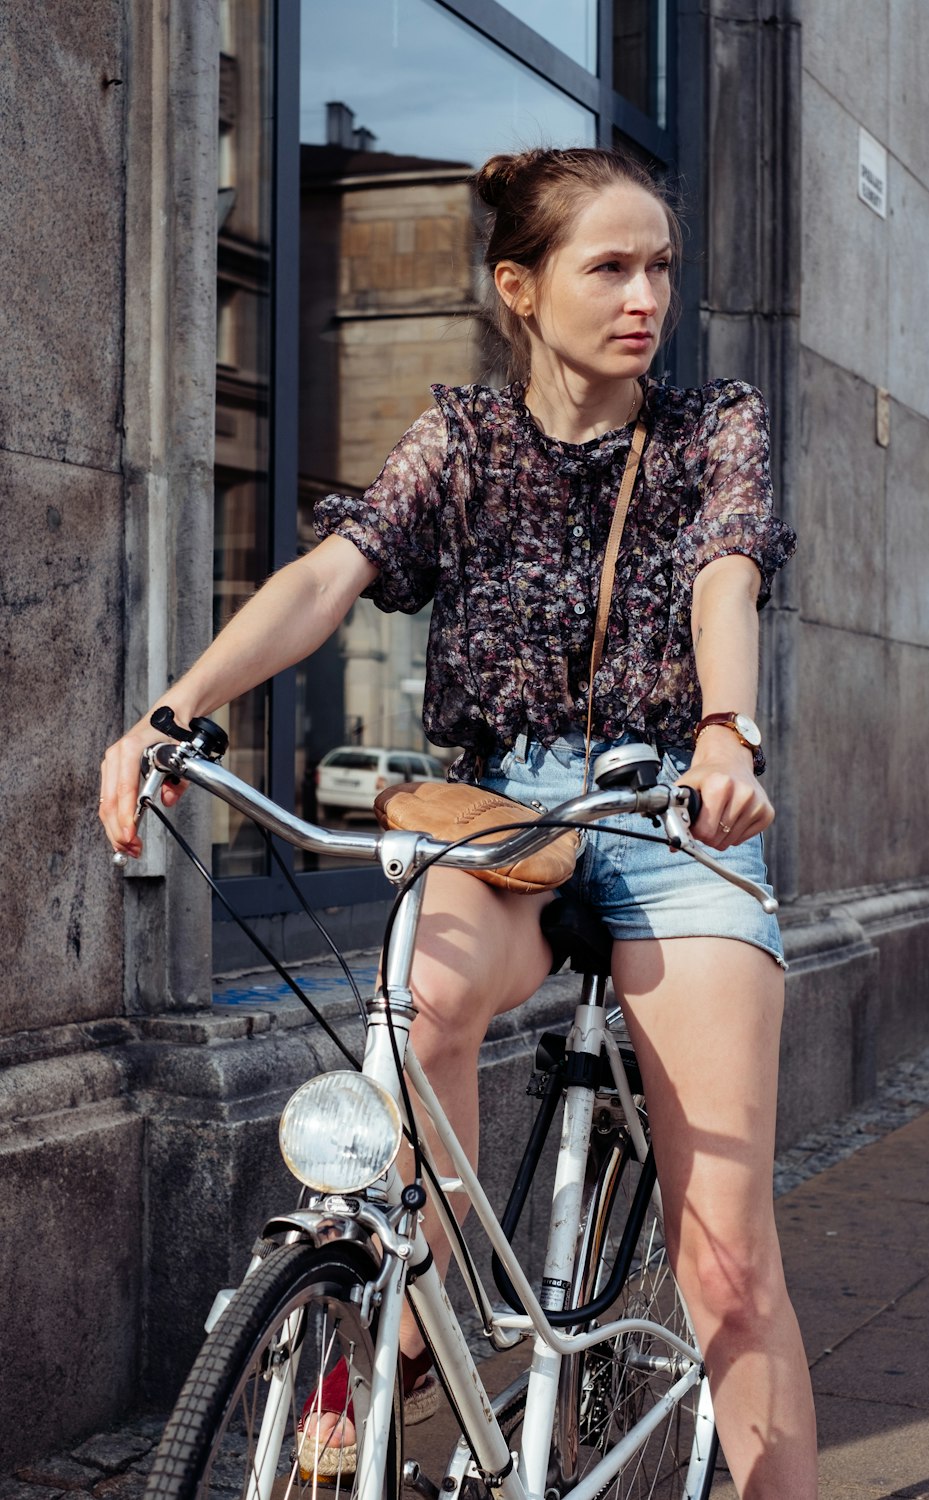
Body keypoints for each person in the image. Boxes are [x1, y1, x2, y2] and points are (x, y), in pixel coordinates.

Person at [101, 146, 817, 1499]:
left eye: (659, 264)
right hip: (501, 814)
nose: (644, 294)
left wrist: (729, 730)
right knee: (414, 1015)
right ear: (517, 287)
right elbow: (327, 576)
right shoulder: (464, 442)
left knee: (726, 1262)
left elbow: (728, 575)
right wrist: (178, 711)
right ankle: (401, 1294)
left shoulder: (713, 424)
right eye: (609, 265)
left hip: (674, 808)